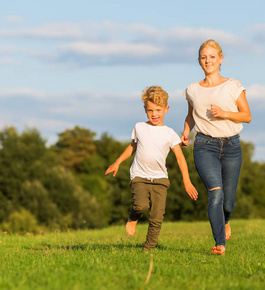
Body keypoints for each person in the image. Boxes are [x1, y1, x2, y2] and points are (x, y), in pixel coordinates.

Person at [105, 85, 198, 252]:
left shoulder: (169, 133)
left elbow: (180, 157)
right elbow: (132, 147)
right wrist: (117, 162)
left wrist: (187, 181)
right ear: (145, 110)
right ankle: (133, 218)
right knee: (140, 205)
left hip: (160, 180)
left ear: (166, 109)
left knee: (157, 217)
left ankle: (147, 248)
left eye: (158, 110)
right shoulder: (139, 127)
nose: (154, 114)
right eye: (150, 110)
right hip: (139, 176)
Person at [181, 39, 252, 255]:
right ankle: (220, 243)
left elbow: (247, 116)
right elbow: (190, 116)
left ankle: (226, 220)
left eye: (212, 57)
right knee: (216, 192)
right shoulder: (192, 90)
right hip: (204, 145)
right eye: (204, 57)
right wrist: (185, 133)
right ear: (199, 61)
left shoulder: (233, 85)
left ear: (220, 59)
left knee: (228, 202)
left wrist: (225, 113)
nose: (208, 61)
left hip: (231, 146)